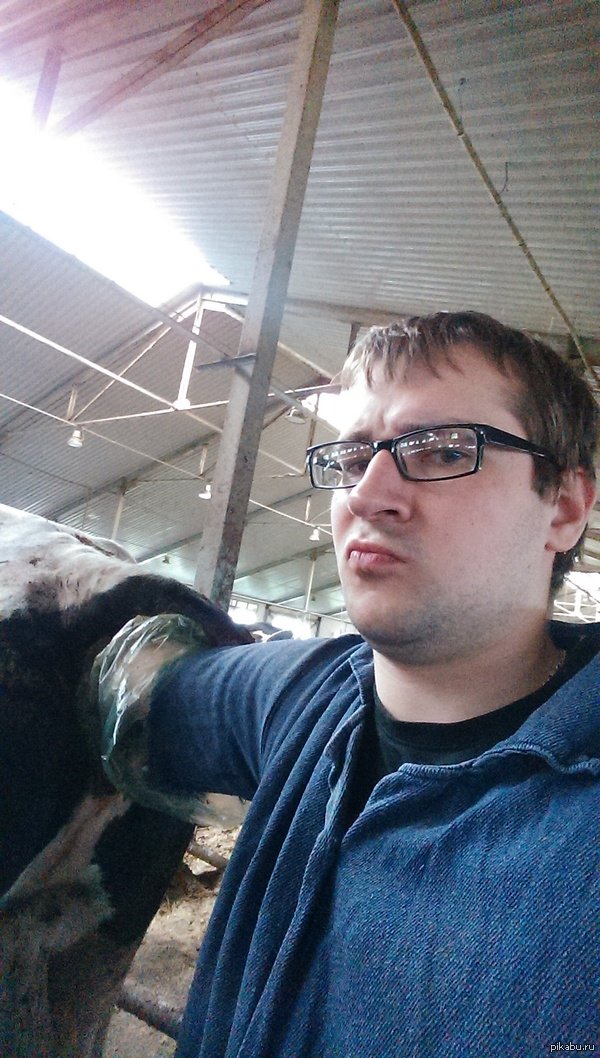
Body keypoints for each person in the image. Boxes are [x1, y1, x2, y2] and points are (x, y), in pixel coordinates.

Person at [95, 311, 599, 1058]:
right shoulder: (304, 698)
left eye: (441, 450)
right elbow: (130, 684)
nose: (368, 492)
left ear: (564, 507)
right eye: (354, 455)